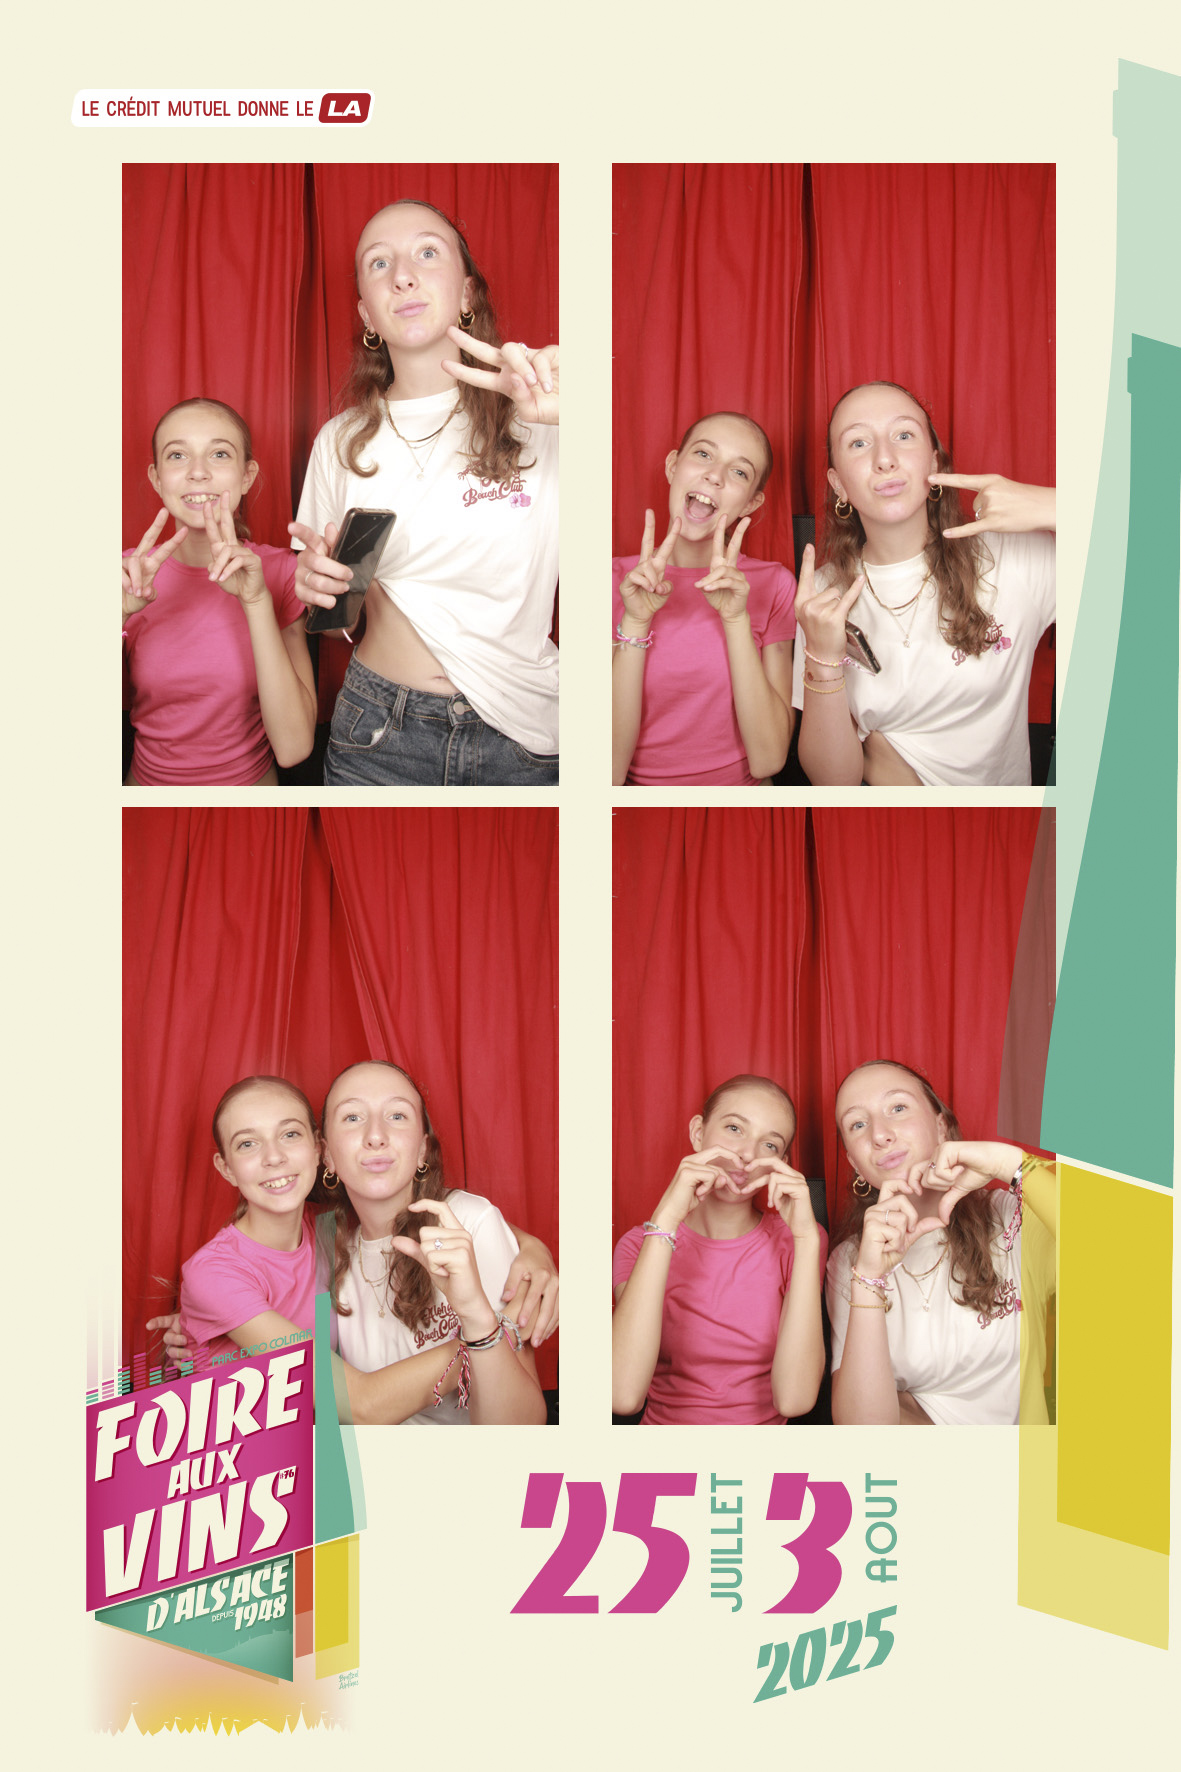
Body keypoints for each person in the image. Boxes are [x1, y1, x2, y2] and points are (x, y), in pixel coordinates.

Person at [290, 199, 559, 785]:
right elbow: (331, 621)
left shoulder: (543, 418)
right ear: (368, 313)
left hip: (525, 737)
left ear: (467, 293)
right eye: (379, 263)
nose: (403, 276)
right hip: (378, 733)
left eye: (427, 253)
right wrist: (319, 591)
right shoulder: (338, 441)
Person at [165, 1068, 556, 1425]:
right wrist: (489, 1329)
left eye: (289, 1134)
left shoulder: (329, 1229)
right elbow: (362, 1404)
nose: (274, 1157)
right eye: (248, 1143)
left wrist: (532, 1249)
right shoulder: (319, 1243)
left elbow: (453, 1219)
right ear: (328, 1154)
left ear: (316, 1151)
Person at [792, 381, 1056, 787]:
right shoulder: (821, 594)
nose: (885, 459)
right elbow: (834, 783)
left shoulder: (1011, 556)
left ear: (934, 461)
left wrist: (1056, 506)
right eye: (859, 443)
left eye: (903, 435)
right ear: (838, 483)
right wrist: (823, 659)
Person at [827, 1060, 1055, 1426]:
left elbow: (1121, 1241)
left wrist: (1009, 1164)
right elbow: (865, 1433)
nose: (880, 1134)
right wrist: (869, 1278)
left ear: (941, 1127)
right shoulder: (850, 1259)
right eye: (857, 1124)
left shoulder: (1011, 1217)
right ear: (854, 1162)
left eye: (897, 1108)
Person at [122, 398, 316, 786]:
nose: (198, 472)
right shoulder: (124, 576)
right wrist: (117, 616)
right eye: (177, 455)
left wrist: (256, 601)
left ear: (247, 476)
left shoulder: (281, 572)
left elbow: (294, 748)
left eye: (219, 454)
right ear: (157, 478)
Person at [612, 1075, 825, 1424]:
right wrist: (666, 1220)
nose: (747, 1154)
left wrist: (805, 1239)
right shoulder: (639, 1244)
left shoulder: (799, 1239)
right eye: (734, 1128)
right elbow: (621, 1394)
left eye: (769, 1145)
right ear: (699, 1133)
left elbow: (794, 1400)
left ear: (783, 1162)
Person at [612, 413, 796, 785]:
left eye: (739, 472)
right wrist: (635, 622)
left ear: (751, 503)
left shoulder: (775, 584)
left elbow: (769, 759)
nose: (715, 476)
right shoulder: (611, 580)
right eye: (703, 454)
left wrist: (736, 620)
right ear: (672, 466)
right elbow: (605, 775)